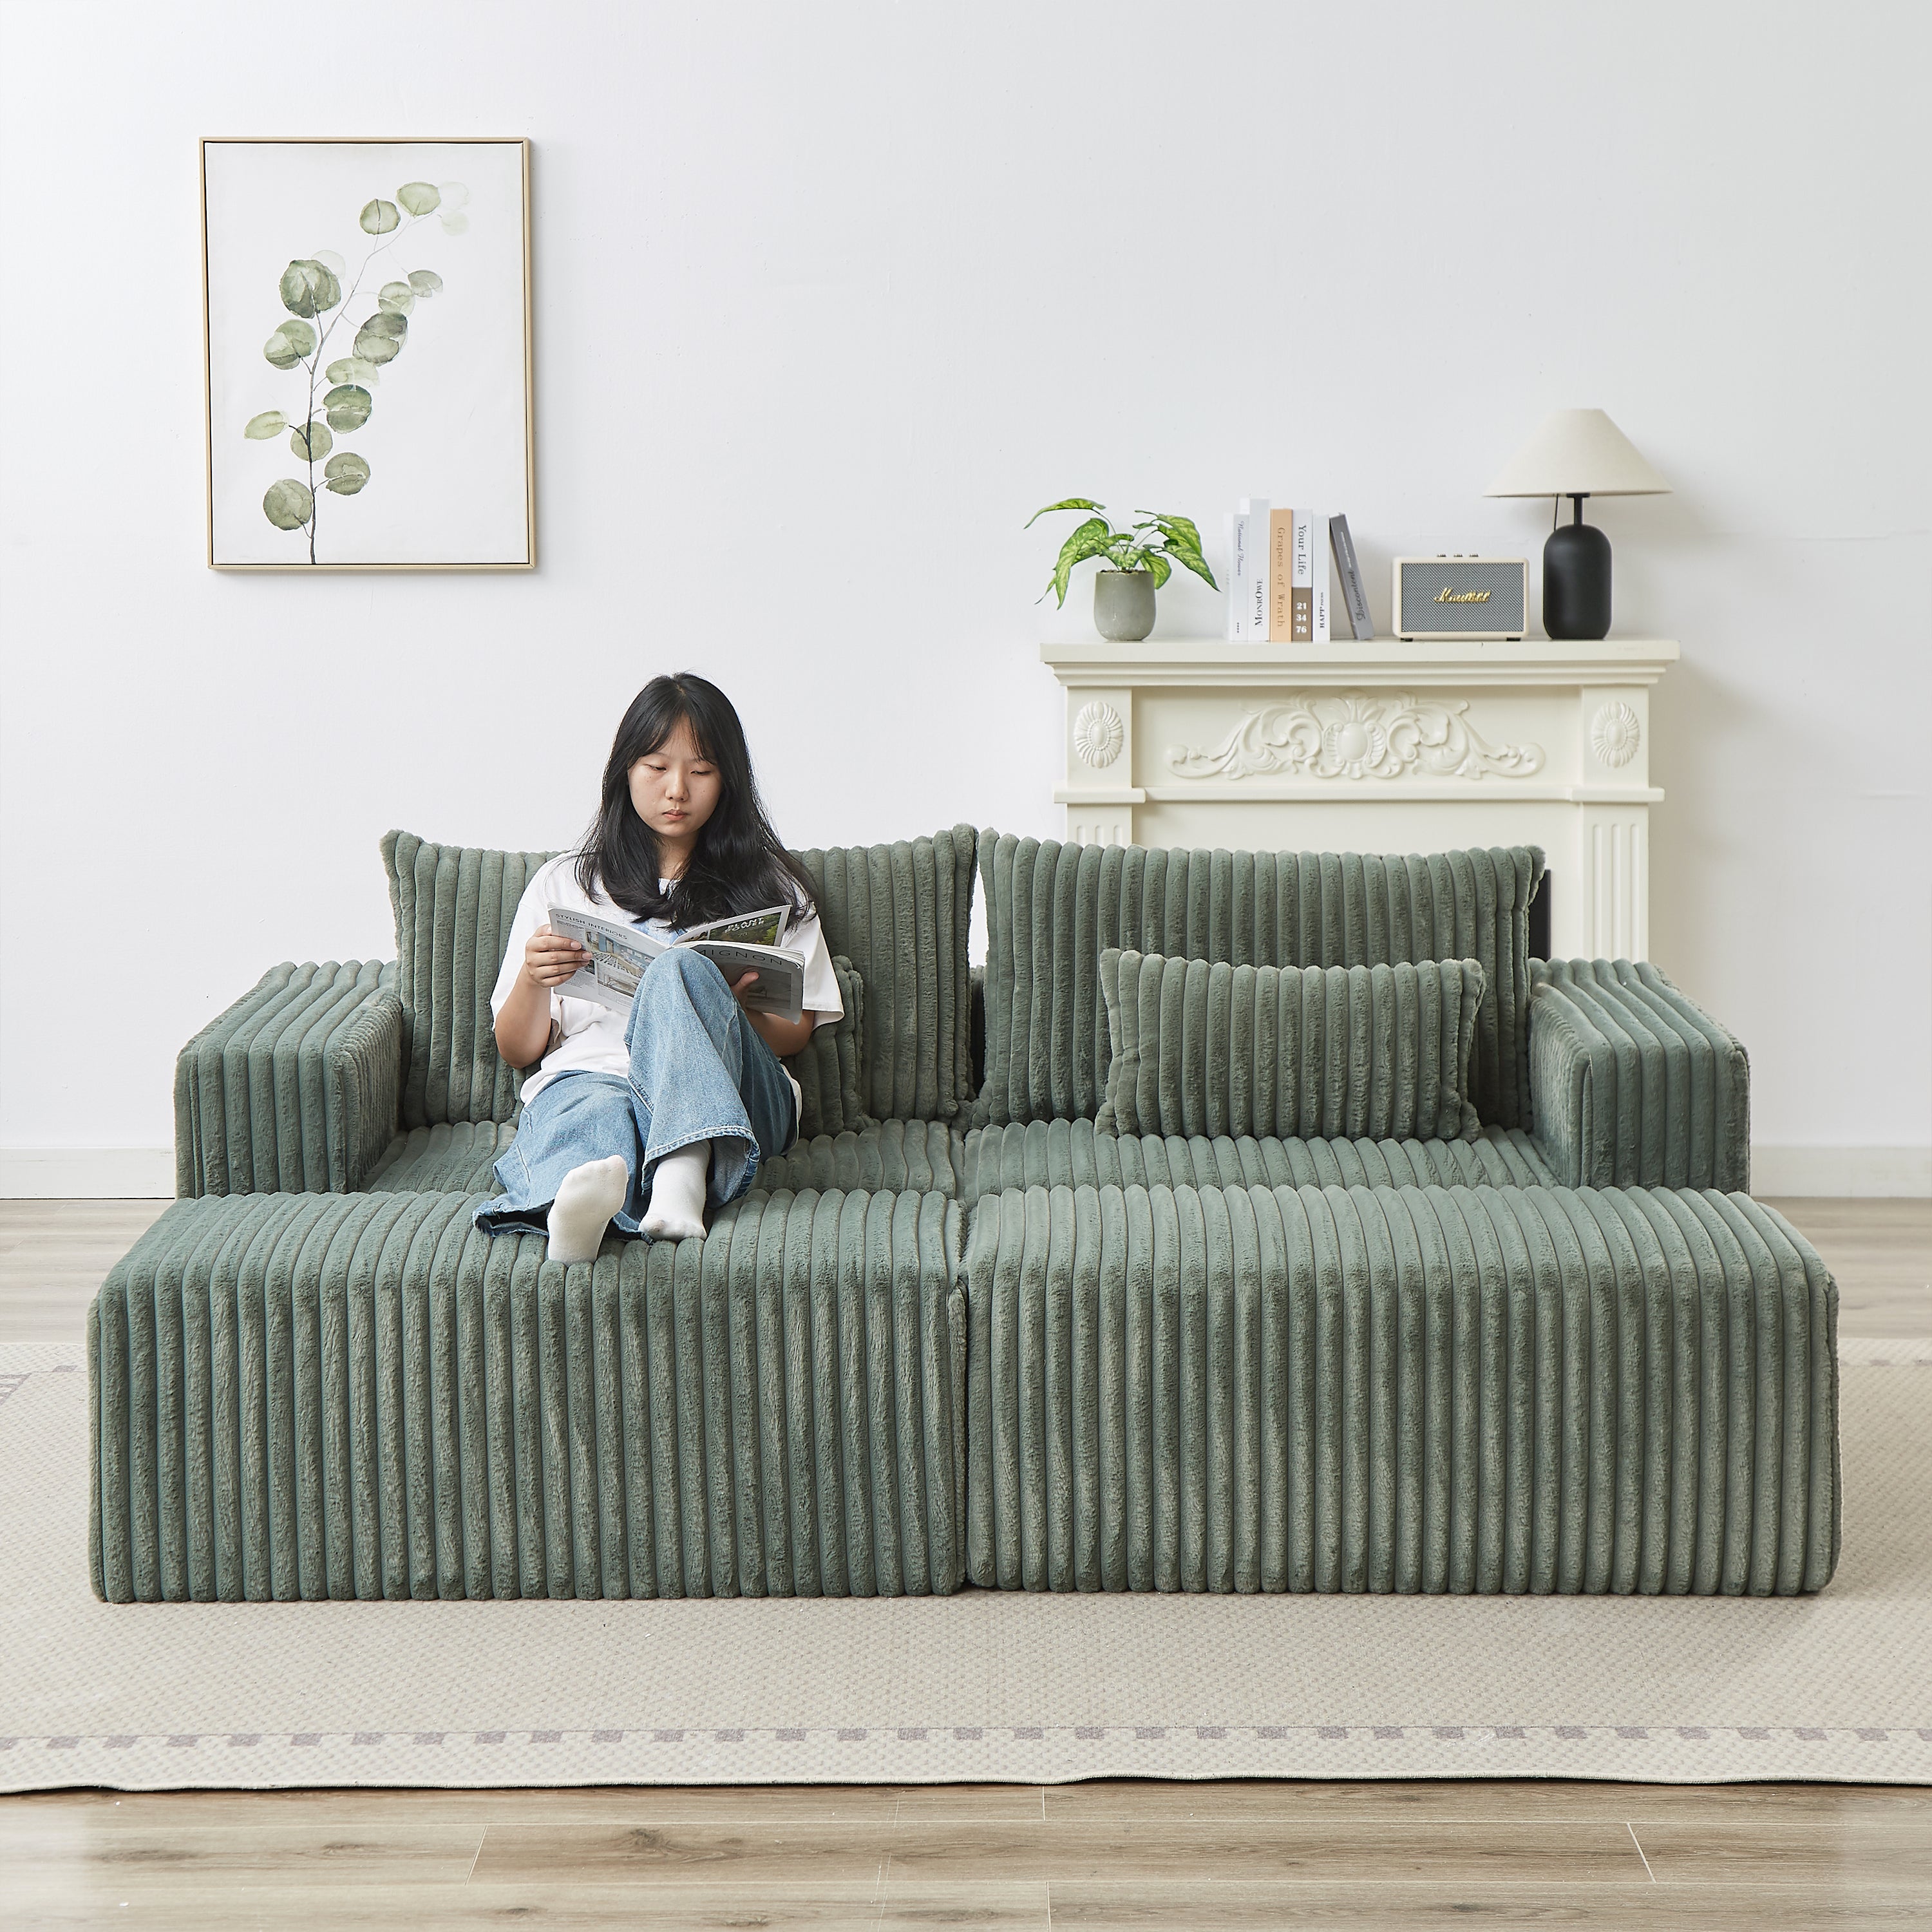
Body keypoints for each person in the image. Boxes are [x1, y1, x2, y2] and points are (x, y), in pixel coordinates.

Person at [474, 672, 842, 1260]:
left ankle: (681, 1171)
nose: (677, 790)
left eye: (700, 772)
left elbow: (794, 1037)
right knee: (596, 1118)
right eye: (656, 768)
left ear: (727, 782)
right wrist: (531, 978)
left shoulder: (772, 886)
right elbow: (519, 1050)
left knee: (678, 972)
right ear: (626, 771)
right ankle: (577, 1219)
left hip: (738, 1094)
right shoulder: (566, 885)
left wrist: (728, 1006)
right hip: (597, 1076)